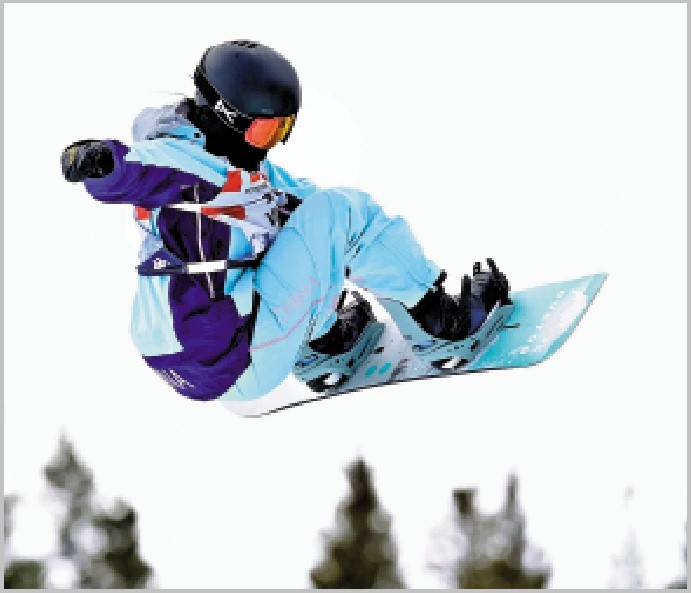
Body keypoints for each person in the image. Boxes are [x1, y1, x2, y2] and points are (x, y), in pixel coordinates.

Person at [61, 40, 509, 403]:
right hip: (234, 357)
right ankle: (444, 324)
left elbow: (311, 222)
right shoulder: (178, 163)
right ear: (225, 115)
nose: (271, 143)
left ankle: (324, 345)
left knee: (302, 223)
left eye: (282, 129)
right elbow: (131, 172)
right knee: (341, 212)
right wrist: (95, 161)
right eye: (263, 130)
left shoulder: (240, 171)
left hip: (193, 356)